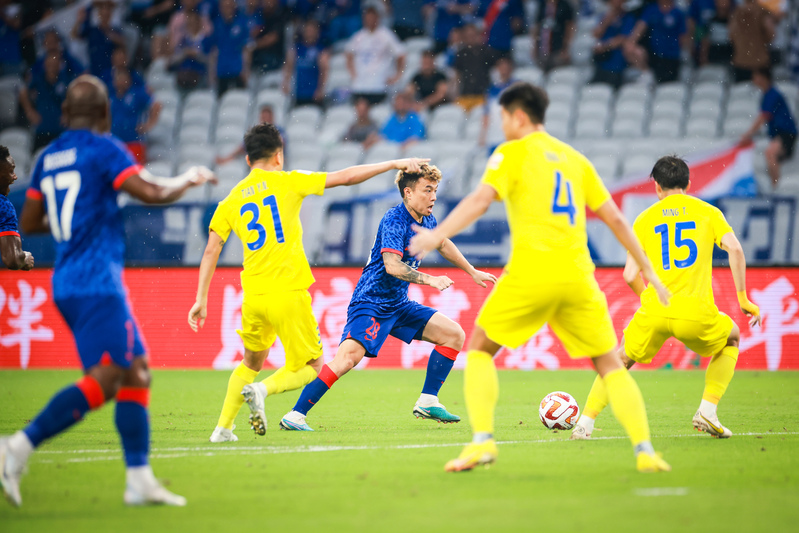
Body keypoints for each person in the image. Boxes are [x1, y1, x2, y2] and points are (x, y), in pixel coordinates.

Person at [409, 82, 672, 473]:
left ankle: (482, 442)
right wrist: (648, 267)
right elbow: (614, 218)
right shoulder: (575, 159)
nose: (501, 126)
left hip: (531, 272)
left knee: (479, 348)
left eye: (502, 117)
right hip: (578, 277)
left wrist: (436, 233)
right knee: (610, 366)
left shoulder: (511, 154)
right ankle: (646, 451)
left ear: (518, 116)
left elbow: (481, 201)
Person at [0, 74, 216, 508]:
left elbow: (36, 221)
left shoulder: (48, 157)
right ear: (104, 114)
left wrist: (77, 217)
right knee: (107, 375)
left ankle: (139, 479)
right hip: (96, 281)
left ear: (64, 115)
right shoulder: (103, 150)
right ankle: (17, 446)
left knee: (136, 372)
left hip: (65, 280)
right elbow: (151, 192)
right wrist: (188, 180)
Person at [188, 122, 429, 442]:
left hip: (253, 296)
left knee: (250, 361)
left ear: (248, 161)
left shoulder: (231, 200)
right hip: (287, 292)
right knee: (313, 365)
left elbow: (210, 249)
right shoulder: (288, 182)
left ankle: (222, 428)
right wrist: (392, 163)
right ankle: (261, 390)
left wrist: (200, 299)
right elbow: (345, 177)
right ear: (279, 156)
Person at [280, 164, 497, 431]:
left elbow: (441, 242)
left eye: (435, 190)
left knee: (454, 335)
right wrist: (431, 280)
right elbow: (392, 266)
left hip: (399, 304)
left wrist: (471, 271)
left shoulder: (427, 219)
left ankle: (428, 401)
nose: (433, 197)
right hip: (371, 302)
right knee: (347, 360)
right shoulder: (395, 219)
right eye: (427, 190)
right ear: (408, 192)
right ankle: (295, 415)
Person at [571, 155, 761, 441]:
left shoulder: (645, 219)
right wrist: (743, 298)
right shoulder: (707, 212)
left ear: (657, 187)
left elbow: (629, 274)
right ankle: (707, 410)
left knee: (619, 359)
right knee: (732, 338)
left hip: (656, 310)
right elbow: (734, 249)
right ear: (687, 183)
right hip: (695, 312)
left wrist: (649, 297)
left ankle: (584, 424)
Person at [740, 68, 798, 190]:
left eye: (755, 76)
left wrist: (748, 134)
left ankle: (776, 187)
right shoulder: (767, 95)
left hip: (786, 133)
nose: (753, 80)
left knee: (770, 153)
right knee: (770, 155)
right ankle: (775, 186)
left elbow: (763, 117)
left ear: (763, 77)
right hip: (780, 134)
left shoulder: (772, 94)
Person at [346, 6, 405, 105]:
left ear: (378, 18)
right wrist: (353, 73)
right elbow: (348, 53)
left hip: (379, 84)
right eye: (367, 18)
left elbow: (401, 54)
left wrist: (397, 75)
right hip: (361, 84)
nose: (369, 20)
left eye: (372, 17)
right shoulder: (359, 36)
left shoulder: (386, 35)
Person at [19, 54, 77, 152]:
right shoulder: (38, 79)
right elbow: (22, 92)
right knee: (37, 158)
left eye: (54, 65)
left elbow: (75, 97)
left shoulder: (66, 79)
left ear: (59, 65)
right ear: (45, 65)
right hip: (42, 129)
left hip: (60, 129)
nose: (52, 68)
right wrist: (29, 111)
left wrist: (69, 114)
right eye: (49, 65)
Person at [628, 0, 688, 84]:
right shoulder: (651, 10)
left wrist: (684, 51)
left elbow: (683, 36)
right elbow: (640, 28)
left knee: (669, 84)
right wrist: (631, 42)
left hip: (672, 55)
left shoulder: (678, 12)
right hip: (655, 54)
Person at [110, 68, 162, 164]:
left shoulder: (137, 94)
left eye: (123, 77)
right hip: (115, 142)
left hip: (134, 142)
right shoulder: (112, 98)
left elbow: (157, 106)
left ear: (129, 79)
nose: (121, 80)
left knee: (134, 172)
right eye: (118, 78)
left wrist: (149, 124)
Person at [207, 0, 252, 96]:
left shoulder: (242, 23)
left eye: (229, 6)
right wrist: (212, 71)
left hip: (237, 70)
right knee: (222, 103)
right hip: (221, 71)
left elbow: (246, 48)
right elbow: (213, 50)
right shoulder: (216, 24)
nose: (227, 9)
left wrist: (246, 69)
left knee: (238, 100)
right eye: (225, 6)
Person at [0, 145, 34, 271]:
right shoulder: (3, 206)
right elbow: (12, 259)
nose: (15, 177)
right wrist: (25, 258)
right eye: (10, 171)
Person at [216, 105, 285, 166]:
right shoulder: (256, 131)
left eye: (267, 117)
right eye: (263, 117)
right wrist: (227, 159)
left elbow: (280, 144)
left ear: (272, 117)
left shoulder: (278, 130)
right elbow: (242, 147)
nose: (265, 120)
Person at [590, 0, 637, 89]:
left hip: (616, 61)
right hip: (602, 61)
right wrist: (607, 21)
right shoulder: (604, 17)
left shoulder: (628, 17)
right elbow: (595, 34)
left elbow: (623, 38)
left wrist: (606, 45)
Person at [71, 0, 125, 77]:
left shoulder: (115, 31)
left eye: (107, 12)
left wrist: (115, 38)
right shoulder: (92, 30)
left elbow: (123, 47)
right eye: (103, 13)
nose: (105, 15)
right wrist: (79, 21)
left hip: (111, 73)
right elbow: (74, 35)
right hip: (94, 70)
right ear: (99, 14)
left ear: (111, 14)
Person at [283, 20, 329, 107]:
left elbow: (324, 71)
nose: (310, 33)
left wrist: (320, 89)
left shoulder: (321, 50)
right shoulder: (296, 49)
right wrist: (285, 83)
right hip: (298, 92)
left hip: (313, 92)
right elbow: (288, 67)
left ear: (317, 32)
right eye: (308, 30)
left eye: (312, 30)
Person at [453, 24, 499, 112]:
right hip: (465, 95)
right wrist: (456, 93)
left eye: (473, 35)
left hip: (482, 95)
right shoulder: (461, 53)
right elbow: (457, 75)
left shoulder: (486, 51)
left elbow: (496, 72)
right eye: (468, 36)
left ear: (478, 35)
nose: (470, 38)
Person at [729, 0, 776, 82]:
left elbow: (731, 35)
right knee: (762, 92)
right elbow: (771, 34)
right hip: (760, 62)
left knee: (741, 92)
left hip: (741, 61)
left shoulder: (737, 13)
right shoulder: (762, 12)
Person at [531, 0, 575, 72]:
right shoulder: (542, 5)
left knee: (557, 74)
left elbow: (569, 27)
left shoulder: (565, 5)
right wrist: (534, 47)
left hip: (558, 49)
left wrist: (566, 48)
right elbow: (537, 27)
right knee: (541, 74)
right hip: (543, 48)